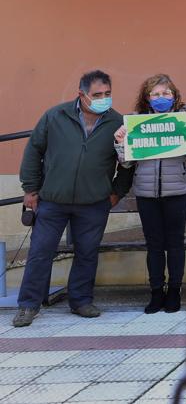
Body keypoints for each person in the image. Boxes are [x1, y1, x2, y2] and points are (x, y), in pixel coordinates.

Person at [14, 70, 126, 327]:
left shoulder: (117, 122)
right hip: (53, 200)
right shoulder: (55, 116)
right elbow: (34, 151)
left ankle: (81, 301)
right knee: (40, 252)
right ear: (81, 95)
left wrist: (116, 192)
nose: (103, 99)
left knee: (87, 253)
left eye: (108, 94)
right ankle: (28, 305)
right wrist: (30, 190)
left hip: (94, 203)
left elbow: (127, 162)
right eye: (97, 94)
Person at [112, 74, 186, 315]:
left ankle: (174, 291)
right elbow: (126, 163)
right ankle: (156, 292)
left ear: (174, 96)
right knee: (154, 245)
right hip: (146, 192)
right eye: (155, 94)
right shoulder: (136, 124)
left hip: (178, 191)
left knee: (175, 243)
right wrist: (121, 143)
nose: (160, 98)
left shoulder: (185, 122)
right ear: (147, 98)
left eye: (165, 93)